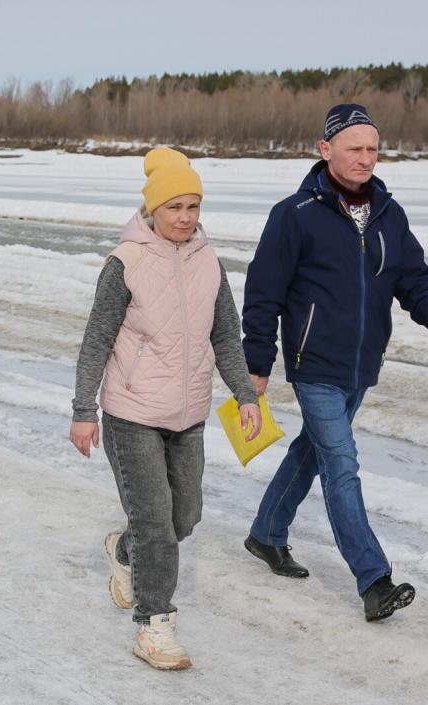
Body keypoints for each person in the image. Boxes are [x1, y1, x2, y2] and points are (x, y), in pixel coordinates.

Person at [241, 104, 428, 622]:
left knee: (313, 451)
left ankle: (267, 533)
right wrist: (257, 363)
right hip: (313, 361)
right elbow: (263, 294)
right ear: (326, 151)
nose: (366, 159)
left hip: (362, 363)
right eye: (354, 149)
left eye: (372, 149)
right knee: (341, 465)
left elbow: (413, 278)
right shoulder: (294, 215)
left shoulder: (389, 212)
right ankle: (374, 579)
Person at [70, 148, 261, 670]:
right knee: (156, 520)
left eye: (193, 206)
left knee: (186, 515)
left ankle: (126, 550)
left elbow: (225, 333)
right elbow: (96, 341)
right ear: (152, 208)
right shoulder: (124, 263)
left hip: (188, 415)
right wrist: (83, 408)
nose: (184, 217)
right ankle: (154, 627)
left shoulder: (208, 262)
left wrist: (245, 394)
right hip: (131, 414)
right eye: (174, 206)